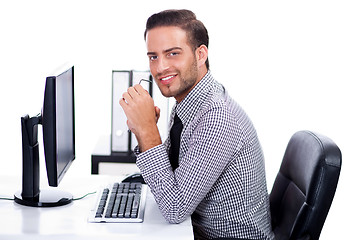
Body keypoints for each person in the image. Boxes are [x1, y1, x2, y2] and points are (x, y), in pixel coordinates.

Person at [119, 9, 274, 240]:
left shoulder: (217, 118)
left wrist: (148, 131)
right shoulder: (188, 102)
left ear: (200, 55)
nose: (160, 68)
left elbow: (175, 208)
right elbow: (174, 183)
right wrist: (144, 131)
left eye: (172, 54)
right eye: (153, 57)